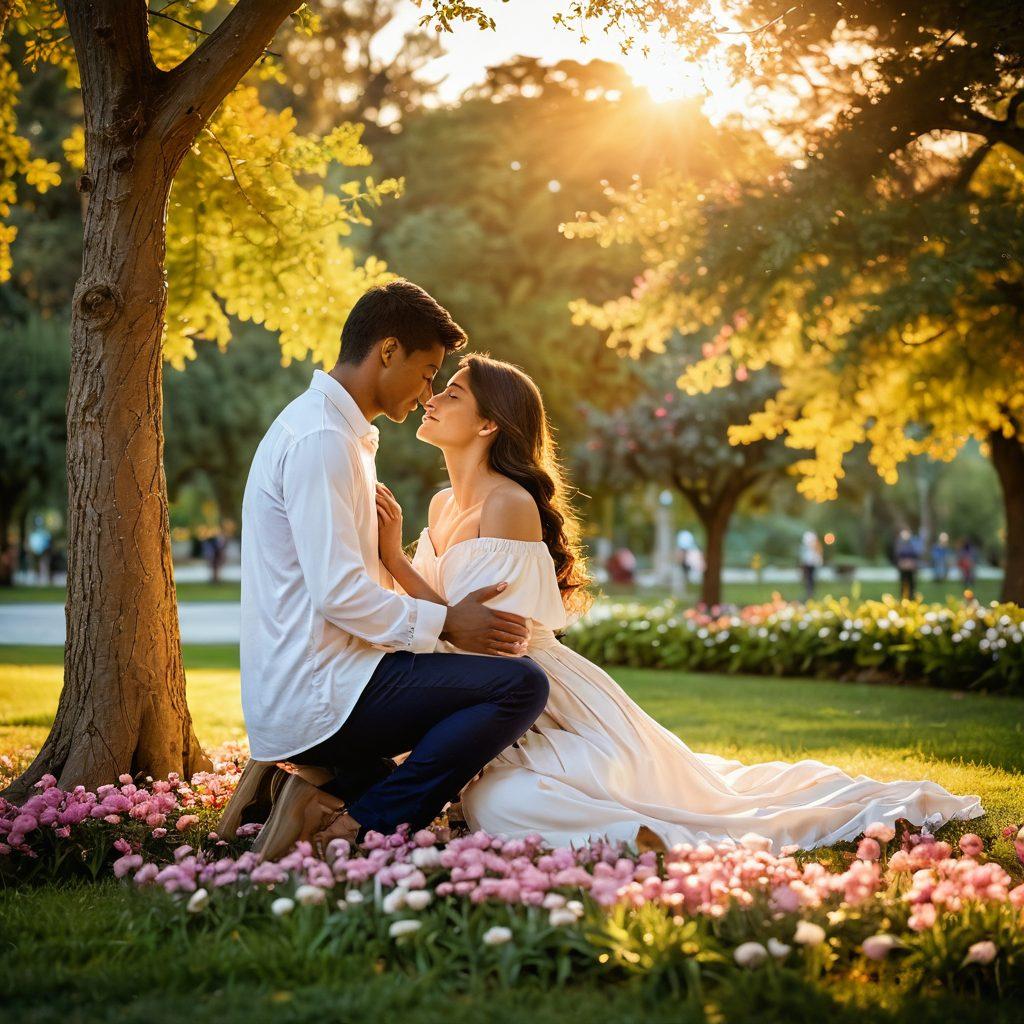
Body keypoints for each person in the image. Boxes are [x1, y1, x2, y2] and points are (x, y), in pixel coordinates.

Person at [373, 354, 983, 853]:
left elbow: (488, 638)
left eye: (452, 392)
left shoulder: (509, 504)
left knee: (500, 805)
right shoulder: (441, 505)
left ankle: (643, 835)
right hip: (479, 691)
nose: (432, 397)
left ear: (487, 424)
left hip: (540, 701)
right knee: (484, 799)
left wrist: (397, 561)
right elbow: (446, 621)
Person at [220, 281, 549, 860]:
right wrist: (449, 623)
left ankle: (309, 793)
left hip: (324, 684)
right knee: (520, 686)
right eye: (427, 373)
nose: (427, 393)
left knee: (404, 775)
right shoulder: (324, 440)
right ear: (388, 351)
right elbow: (339, 595)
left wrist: (398, 568)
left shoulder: (336, 433)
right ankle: (356, 827)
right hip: (324, 693)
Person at [893, 528, 922, 600]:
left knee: (912, 582)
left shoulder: (913, 543)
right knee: (903, 582)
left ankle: (911, 596)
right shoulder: (899, 544)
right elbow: (898, 554)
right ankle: (902, 597)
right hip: (903, 567)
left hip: (911, 566)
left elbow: (916, 553)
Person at [798, 530, 823, 601]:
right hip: (807, 564)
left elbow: (817, 554)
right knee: (808, 579)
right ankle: (809, 593)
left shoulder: (815, 545)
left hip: (812, 564)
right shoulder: (807, 547)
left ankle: (810, 594)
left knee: (810, 579)